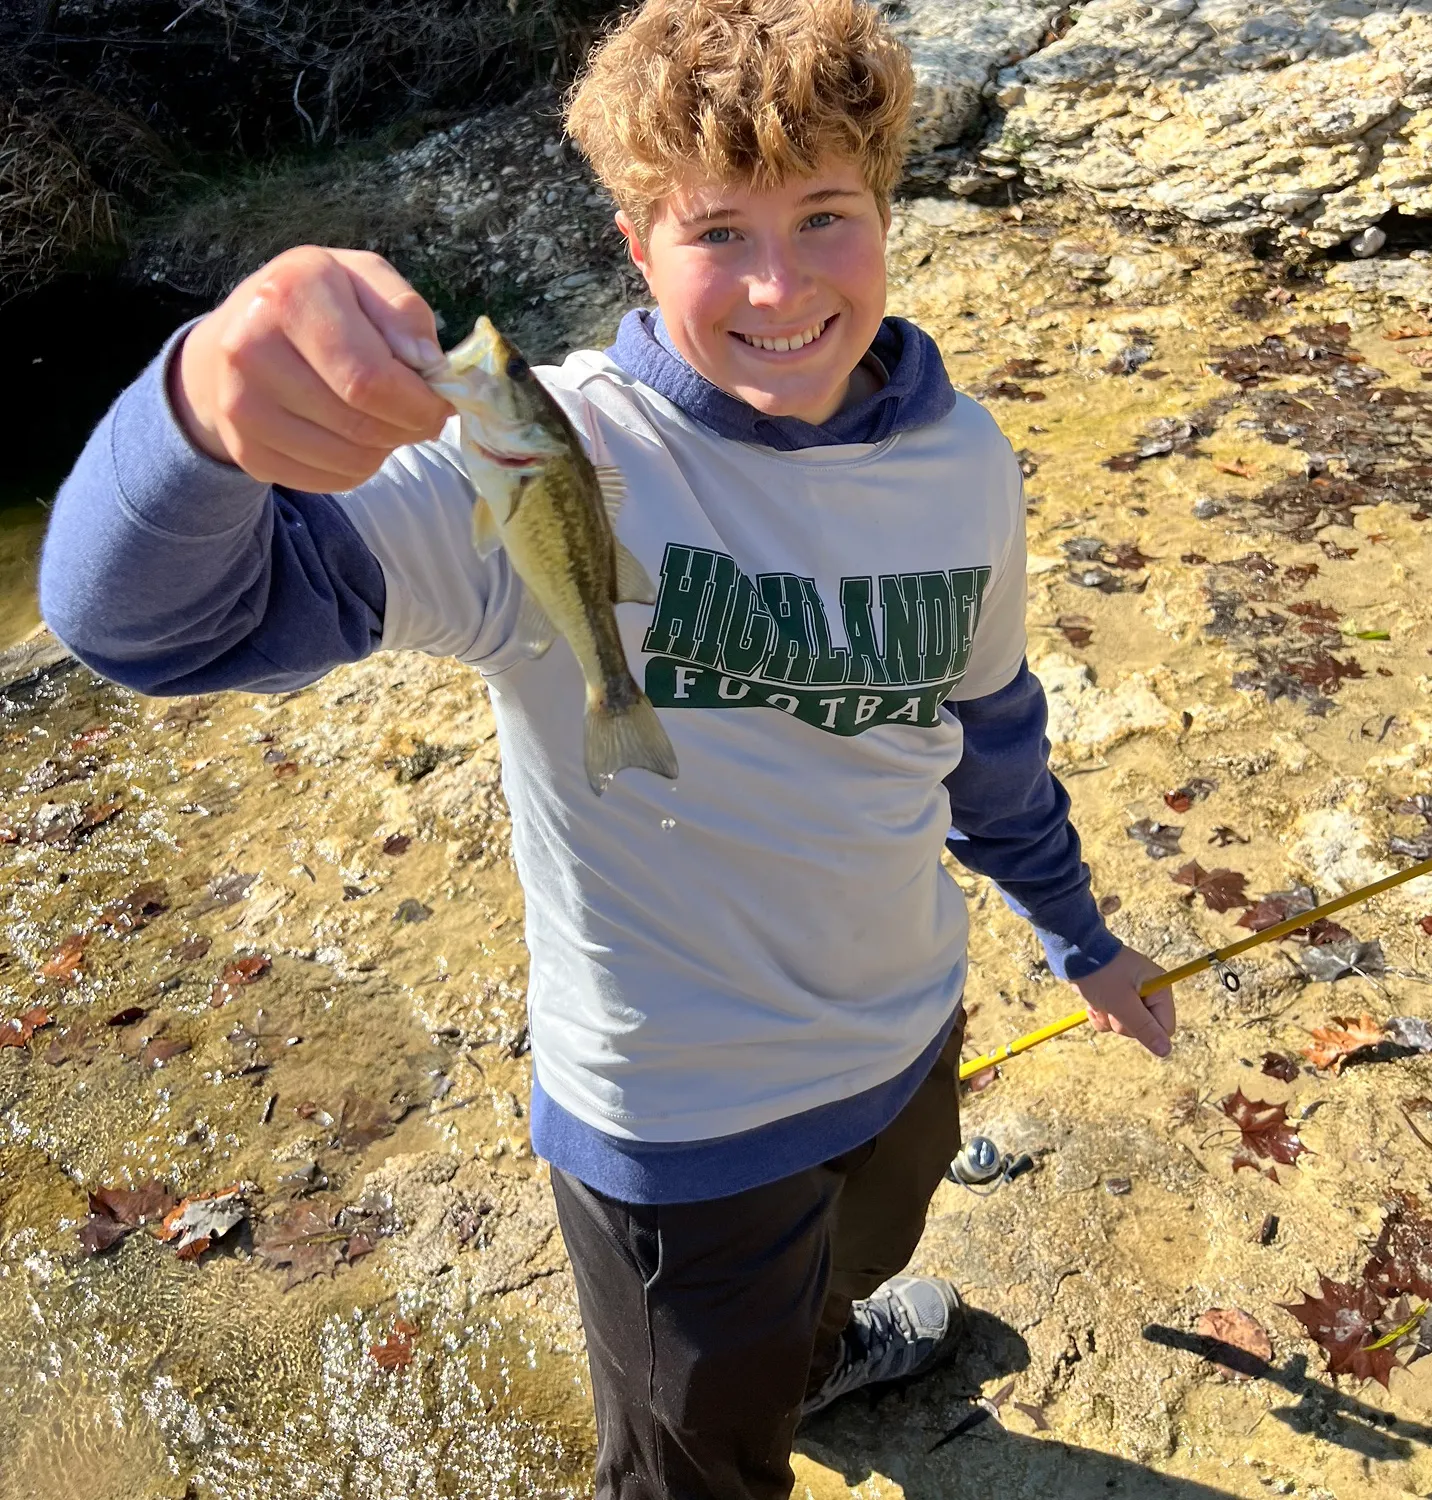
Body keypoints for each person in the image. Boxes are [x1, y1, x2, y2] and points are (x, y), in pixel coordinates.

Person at [39, 1, 1176, 1495]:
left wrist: (1077, 933)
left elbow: (988, 730)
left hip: (908, 1036)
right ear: (638, 247)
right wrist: (195, 416)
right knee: (692, 1467)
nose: (780, 284)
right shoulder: (546, 454)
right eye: (717, 233)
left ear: (886, 214)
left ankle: (820, 1347)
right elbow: (149, 628)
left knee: (858, 1252)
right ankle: (760, 1388)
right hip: (681, 1132)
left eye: (826, 215)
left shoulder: (963, 459)